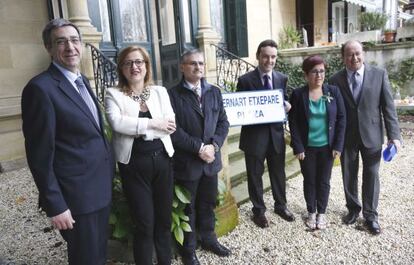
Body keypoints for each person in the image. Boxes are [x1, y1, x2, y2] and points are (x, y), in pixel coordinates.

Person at [21, 18, 114, 264]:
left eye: (74, 40)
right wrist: (56, 205)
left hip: (98, 191)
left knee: (98, 255)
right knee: (86, 258)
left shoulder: (81, 81)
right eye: (60, 42)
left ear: (82, 45)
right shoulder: (40, 89)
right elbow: (39, 155)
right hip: (77, 198)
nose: (70, 47)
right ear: (49, 49)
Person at [105, 46, 176, 265]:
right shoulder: (113, 94)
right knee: (144, 224)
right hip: (134, 164)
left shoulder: (159, 92)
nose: (134, 67)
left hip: (162, 160)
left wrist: (137, 127)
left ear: (146, 66)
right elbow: (117, 124)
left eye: (139, 62)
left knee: (164, 221)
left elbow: (171, 124)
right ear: (121, 68)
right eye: (128, 63)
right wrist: (154, 123)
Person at [329, 40, 401, 235]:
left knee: (372, 176)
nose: (354, 58)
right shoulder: (335, 80)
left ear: (363, 54)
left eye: (358, 53)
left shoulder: (379, 75)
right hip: (347, 138)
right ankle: (353, 209)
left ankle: (370, 215)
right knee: (348, 175)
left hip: (372, 136)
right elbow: (333, 112)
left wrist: (394, 135)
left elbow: (388, 108)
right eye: (350, 54)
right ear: (343, 57)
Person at [168, 49, 230, 265]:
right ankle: (188, 250)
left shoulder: (214, 92)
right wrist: (199, 148)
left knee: (207, 203)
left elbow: (223, 122)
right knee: (188, 208)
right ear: (182, 67)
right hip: (188, 163)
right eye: (192, 63)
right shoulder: (172, 95)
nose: (198, 67)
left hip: (210, 162)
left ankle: (209, 239)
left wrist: (214, 145)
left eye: (201, 63)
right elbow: (173, 130)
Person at [236, 39, 294, 228]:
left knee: (278, 173)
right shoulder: (245, 80)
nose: (269, 60)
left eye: (273, 57)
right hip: (254, 137)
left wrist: (286, 106)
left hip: (276, 136)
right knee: (255, 175)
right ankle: (258, 211)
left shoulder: (281, 78)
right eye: (266, 56)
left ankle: (281, 205)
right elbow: (239, 109)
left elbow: (282, 101)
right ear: (258, 56)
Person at [288, 55, 346, 230]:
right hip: (307, 148)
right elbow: (294, 123)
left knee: (324, 181)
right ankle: (311, 211)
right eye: (314, 72)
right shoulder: (298, 94)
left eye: (321, 71)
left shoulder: (333, 92)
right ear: (306, 75)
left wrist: (338, 145)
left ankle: (322, 212)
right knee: (309, 180)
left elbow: (342, 119)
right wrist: (297, 146)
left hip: (327, 148)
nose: (319, 75)